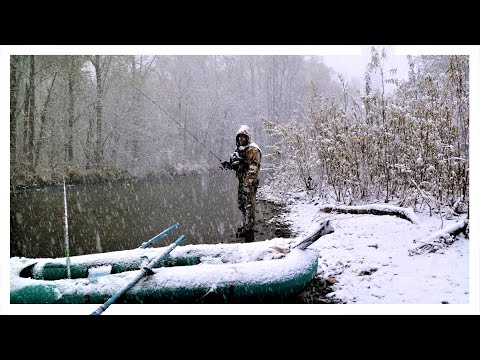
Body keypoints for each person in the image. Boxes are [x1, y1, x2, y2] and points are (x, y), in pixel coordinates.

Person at [221, 125, 262, 242]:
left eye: (244, 137)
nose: (241, 139)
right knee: (242, 204)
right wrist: (229, 165)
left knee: (249, 206)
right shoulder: (240, 149)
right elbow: (237, 164)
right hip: (241, 181)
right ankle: (246, 225)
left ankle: (249, 232)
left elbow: (254, 169)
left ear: (248, 137)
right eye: (240, 137)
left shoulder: (253, 149)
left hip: (250, 183)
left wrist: (246, 184)